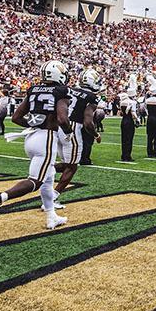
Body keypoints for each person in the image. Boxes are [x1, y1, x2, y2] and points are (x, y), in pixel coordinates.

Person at [0, 60, 72, 230]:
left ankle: (51, 216)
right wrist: (68, 133)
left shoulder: (34, 89)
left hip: (30, 137)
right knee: (36, 180)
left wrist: (34, 124)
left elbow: (16, 117)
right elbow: (62, 118)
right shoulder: (61, 91)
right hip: (46, 139)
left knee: (48, 178)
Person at [52, 68, 101, 207]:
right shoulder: (91, 97)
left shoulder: (70, 89)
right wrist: (96, 135)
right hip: (72, 128)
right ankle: (52, 197)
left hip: (58, 126)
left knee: (67, 164)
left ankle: (44, 170)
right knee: (72, 166)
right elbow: (88, 123)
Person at [119, 92, 138, 162]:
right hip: (129, 121)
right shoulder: (132, 102)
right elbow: (133, 113)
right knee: (129, 139)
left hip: (123, 121)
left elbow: (121, 113)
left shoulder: (121, 103)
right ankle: (128, 156)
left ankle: (123, 155)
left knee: (124, 139)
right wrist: (137, 120)